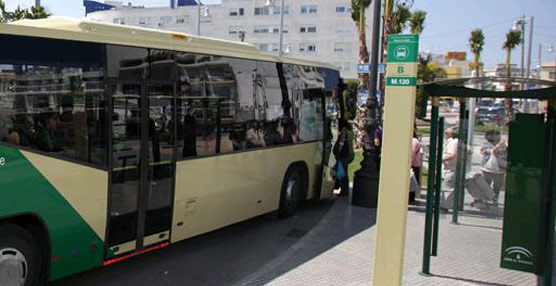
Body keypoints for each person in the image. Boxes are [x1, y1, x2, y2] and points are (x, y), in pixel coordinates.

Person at [481, 130, 507, 206]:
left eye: (498, 135)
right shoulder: (487, 144)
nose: (497, 137)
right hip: (488, 169)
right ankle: (486, 199)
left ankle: (495, 199)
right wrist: (497, 147)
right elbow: (488, 151)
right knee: (486, 184)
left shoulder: (503, 145)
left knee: (497, 186)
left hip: (500, 170)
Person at [333, 118, 354, 197]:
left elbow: (341, 143)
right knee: (344, 172)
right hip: (350, 154)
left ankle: (344, 191)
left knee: (343, 174)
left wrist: (337, 152)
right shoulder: (350, 130)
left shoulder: (344, 131)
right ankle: (344, 190)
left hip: (344, 154)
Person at [440, 127, 458, 210]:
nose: (445, 135)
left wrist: (439, 158)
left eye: (446, 133)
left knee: (448, 188)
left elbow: (452, 155)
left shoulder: (453, 142)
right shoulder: (452, 142)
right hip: (449, 168)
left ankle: (445, 206)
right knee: (445, 187)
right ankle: (444, 204)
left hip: (450, 168)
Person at [410, 131, 422, 203]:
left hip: (413, 165)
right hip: (416, 164)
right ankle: (411, 198)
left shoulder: (413, 141)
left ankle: (410, 199)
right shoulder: (416, 141)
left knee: (411, 183)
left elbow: (412, 153)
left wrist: (409, 164)